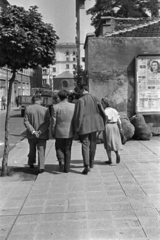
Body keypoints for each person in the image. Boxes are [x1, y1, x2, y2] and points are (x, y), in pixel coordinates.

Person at [73, 85, 105, 174]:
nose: (79, 92)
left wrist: (76, 128)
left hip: (84, 125)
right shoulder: (95, 98)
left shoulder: (81, 100)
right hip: (95, 124)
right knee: (93, 143)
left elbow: (79, 116)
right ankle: (91, 162)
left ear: (83, 90)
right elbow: (102, 111)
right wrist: (102, 123)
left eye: (79, 91)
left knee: (85, 144)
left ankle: (86, 165)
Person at [24, 93, 50, 173]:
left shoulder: (28, 109)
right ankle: (41, 167)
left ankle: (31, 162)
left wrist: (33, 131)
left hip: (31, 134)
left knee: (32, 149)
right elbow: (47, 123)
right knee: (41, 150)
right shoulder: (45, 109)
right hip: (42, 134)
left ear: (33, 100)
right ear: (40, 100)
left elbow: (26, 122)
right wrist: (40, 131)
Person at [51, 90, 75, 173]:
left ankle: (61, 160)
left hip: (59, 131)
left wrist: (53, 131)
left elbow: (53, 121)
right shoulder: (73, 106)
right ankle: (67, 168)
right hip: (69, 131)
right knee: (68, 149)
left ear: (59, 97)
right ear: (67, 96)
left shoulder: (55, 107)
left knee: (59, 147)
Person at [101, 97, 122, 165]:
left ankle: (110, 159)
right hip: (115, 126)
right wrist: (120, 128)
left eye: (102, 103)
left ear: (104, 103)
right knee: (115, 141)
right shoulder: (114, 110)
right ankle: (117, 153)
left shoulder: (105, 111)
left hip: (108, 126)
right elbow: (119, 121)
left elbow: (104, 120)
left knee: (108, 143)